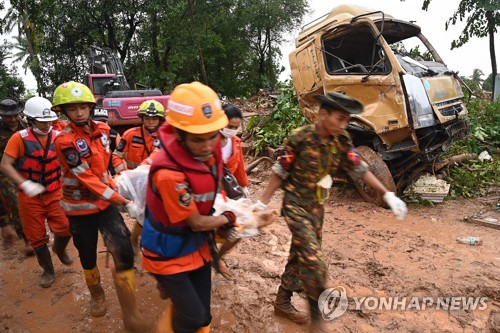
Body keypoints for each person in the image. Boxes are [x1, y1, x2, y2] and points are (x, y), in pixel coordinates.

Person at [259, 92, 408, 332]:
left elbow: (360, 169)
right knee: (315, 262)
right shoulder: (299, 138)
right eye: (340, 118)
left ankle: (282, 301)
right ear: (323, 115)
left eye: (347, 120)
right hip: (295, 206)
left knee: (301, 255)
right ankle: (316, 322)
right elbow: (280, 170)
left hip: (317, 208)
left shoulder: (341, 141)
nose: (343, 125)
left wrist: (387, 193)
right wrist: (263, 201)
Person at [140, 82, 239, 333]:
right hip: (168, 253)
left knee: (203, 317)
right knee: (192, 319)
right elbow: (195, 221)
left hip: (196, 245)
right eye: (198, 140)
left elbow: (212, 190)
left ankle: (173, 297)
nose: (207, 146)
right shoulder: (168, 174)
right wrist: (226, 219)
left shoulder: (207, 144)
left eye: (212, 136)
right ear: (179, 134)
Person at [51, 81, 148, 332]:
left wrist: (122, 175)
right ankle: (96, 293)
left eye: (83, 107)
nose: (79, 113)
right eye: (73, 109)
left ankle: (130, 309)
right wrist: (125, 202)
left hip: (105, 204)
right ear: (64, 112)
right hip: (80, 207)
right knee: (87, 254)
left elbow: (111, 157)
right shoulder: (65, 141)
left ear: (91, 107)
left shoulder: (104, 129)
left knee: (123, 248)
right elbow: (87, 178)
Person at [0, 96, 73, 288]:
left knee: (66, 227)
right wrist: (25, 184)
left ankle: (59, 248)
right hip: (29, 196)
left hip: (55, 192)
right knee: (36, 236)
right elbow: (5, 165)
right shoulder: (19, 138)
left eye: (49, 120)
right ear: (31, 120)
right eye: (42, 121)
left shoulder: (59, 136)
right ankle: (48, 270)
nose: (47, 124)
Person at [113, 99, 165, 253]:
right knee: (142, 213)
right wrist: (123, 174)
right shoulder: (130, 134)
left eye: (154, 118)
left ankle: (139, 242)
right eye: (147, 118)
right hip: (135, 186)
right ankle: (136, 240)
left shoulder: (165, 137)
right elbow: (116, 155)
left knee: (149, 214)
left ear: (160, 120)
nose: (151, 122)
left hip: (155, 183)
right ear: (142, 118)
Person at [0, 98, 35, 256]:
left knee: (32, 204)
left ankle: (35, 234)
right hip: (6, 173)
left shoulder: (27, 128)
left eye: (15, 115)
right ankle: (27, 239)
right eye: (8, 116)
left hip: (27, 170)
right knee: (16, 203)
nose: (13, 119)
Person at [220, 104, 249, 196]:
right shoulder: (208, 142)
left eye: (236, 128)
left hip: (227, 185)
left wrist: (243, 185)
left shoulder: (235, 142)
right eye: (229, 126)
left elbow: (240, 166)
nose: (232, 130)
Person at [92, 107, 124, 176]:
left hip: (111, 171)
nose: (101, 125)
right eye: (98, 121)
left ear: (107, 122)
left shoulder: (114, 135)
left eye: (103, 122)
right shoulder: (87, 135)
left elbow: (120, 156)